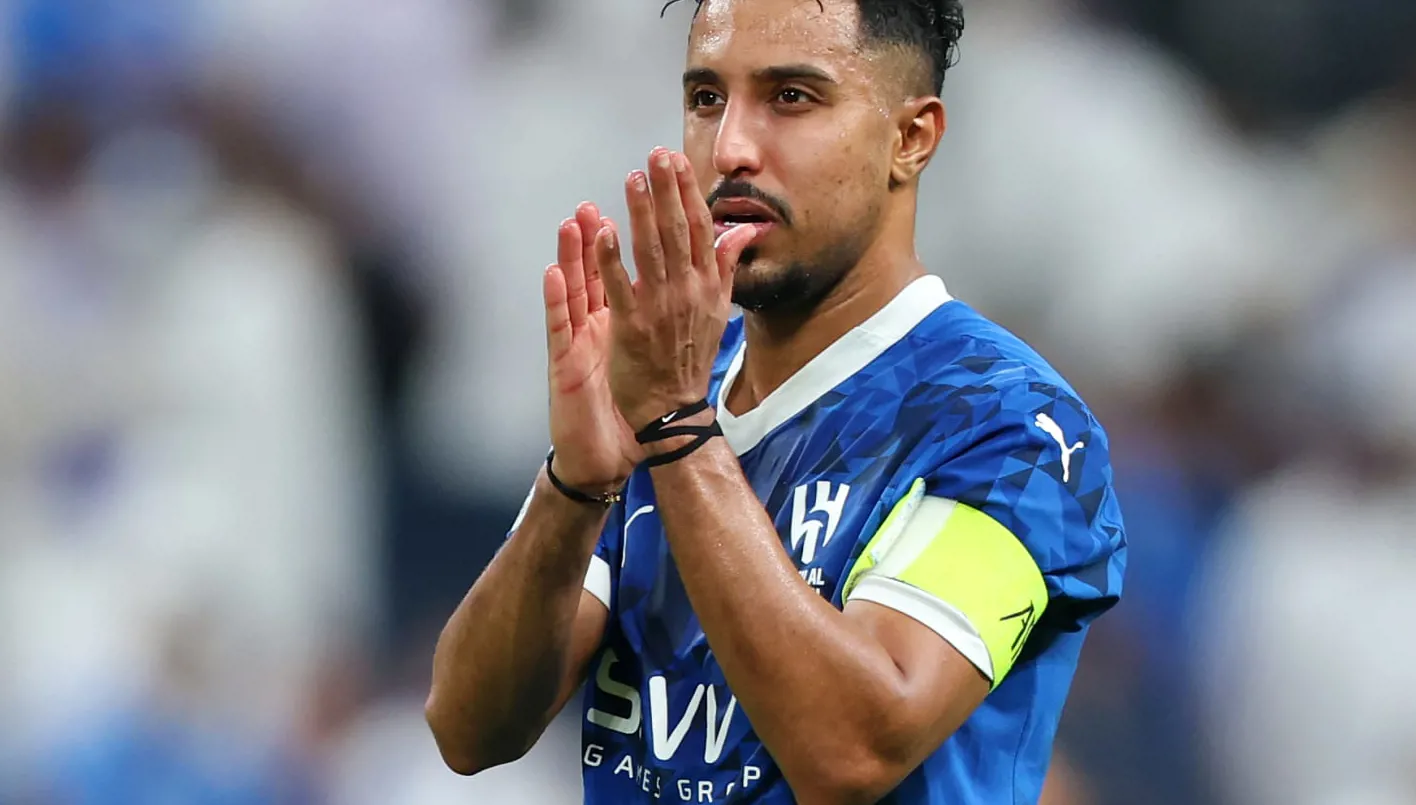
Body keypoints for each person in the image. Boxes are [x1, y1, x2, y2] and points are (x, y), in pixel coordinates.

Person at [425, 0, 1127, 802]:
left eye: (791, 97)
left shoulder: (1016, 428)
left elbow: (853, 750)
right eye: (706, 98)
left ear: (911, 138)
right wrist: (574, 486)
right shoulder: (663, 381)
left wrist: (679, 431)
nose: (730, 148)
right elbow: (468, 728)